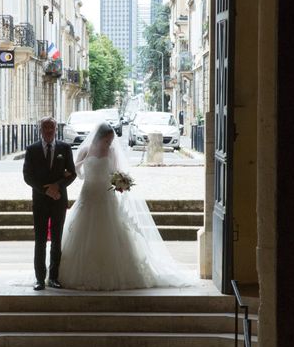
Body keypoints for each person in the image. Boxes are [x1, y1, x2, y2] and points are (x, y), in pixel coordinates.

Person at [58, 122, 194, 290]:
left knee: (110, 230)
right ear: (99, 137)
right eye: (106, 140)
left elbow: (114, 171)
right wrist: (80, 166)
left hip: (106, 195)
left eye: (110, 141)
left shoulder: (112, 151)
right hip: (88, 194)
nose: (108, 144)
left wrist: (120, 181)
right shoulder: (85, 150)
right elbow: (78, 175)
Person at [23, 116, 76, 291]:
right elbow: (28, 176)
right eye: (45, 128)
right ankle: (39, 278)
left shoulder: (65, 148)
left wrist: (57, 186)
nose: (48, 131)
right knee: (40, 241)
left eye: (51, 128)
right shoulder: (32, 150)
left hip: (58, 200)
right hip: (40, 201)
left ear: (55, 129)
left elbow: (72, 173)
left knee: (56, 240)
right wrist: (45, 190)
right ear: (40, 129)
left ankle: (53, 277)